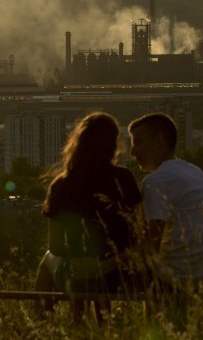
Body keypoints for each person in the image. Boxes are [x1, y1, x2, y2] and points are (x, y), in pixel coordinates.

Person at [35, 112, 142, 318]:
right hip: (122, 275)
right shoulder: (124, 178)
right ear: (113, 146)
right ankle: (102, 324)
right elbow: (139, 231)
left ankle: (42, 322)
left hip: (80, 276)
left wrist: (80, 257)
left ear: (78, 143)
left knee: (47, 262)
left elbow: (55, 247)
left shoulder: (61, 185)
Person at [128, 112, 203, 304]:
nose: (132, 152)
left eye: (138, 143)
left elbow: (151, 248)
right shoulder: (195, 172)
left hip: (174, 282)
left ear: (159, 141)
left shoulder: (156, 181)